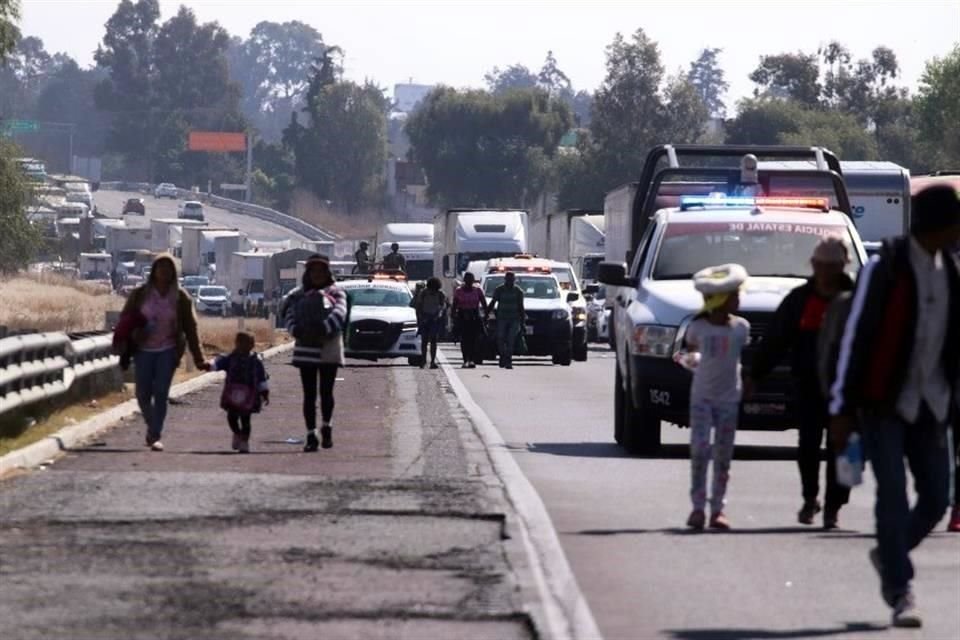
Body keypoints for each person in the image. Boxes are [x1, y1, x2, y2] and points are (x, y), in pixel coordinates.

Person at [829, 184, 960, 628]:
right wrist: (842, 406)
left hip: (933, 403)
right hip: (883, 402)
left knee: (938, 497)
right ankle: (901, 589)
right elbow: (856, 338)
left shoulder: (952, 272)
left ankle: (889, 551)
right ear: (939, 225)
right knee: (891, 495)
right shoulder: (885, 271)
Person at [749, 236, 854, 529]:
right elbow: (776, 340)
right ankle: (810, 498)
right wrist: (755, 374)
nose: (826, 271)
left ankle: (834, 506)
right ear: (814, 265)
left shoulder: (858, 298)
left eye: (833, 265)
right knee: (808, 443)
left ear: (843, 266)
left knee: (843, 447)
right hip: (807, 385)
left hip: (846, 388)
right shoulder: (799, 300)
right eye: (821, 265)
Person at [679, 263, 750, 531]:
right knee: (699, 451)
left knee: (723, 455)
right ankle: (698, 507)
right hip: (702, 399)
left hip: (729, 400)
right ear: (720, 299)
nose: (739, 299)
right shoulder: (698, 329)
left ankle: (717, 509)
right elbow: (689, 353)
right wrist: (690, 360)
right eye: (734, 294)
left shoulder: (741, 328)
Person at [119, 254, 205, 452]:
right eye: (160, 267)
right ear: (154, 270)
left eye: (168, 268)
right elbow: (126, 320)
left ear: (174, 272)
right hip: (143, 350)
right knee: (142, 393)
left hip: (168, 350)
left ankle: (155, 433)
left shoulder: (181, 297)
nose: (164, 271)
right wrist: (125, 346)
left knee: (160, 393)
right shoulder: (141, 294)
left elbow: (191, 328)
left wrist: (198, 357)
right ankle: (151, 424)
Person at [282, 254, 349, 452]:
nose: (317, 275)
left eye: (321, 271)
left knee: (326, 392)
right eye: (313, 271)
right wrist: (298, 331)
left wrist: (322, 329)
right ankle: (311, 434)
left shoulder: (337, 292)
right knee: (309, 394)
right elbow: (289, 315)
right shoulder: (297, 295)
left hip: (329, 349)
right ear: (308, 273)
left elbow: (340, 314)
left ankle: (327, 426)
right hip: (305, 349)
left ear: (327, 273)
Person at [209, 332, 269, 454]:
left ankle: (244, 442)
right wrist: (209, 365)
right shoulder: (230, 358)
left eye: (250, 343)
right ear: (237, 344)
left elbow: (261, 377)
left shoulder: (255, 361)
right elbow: (218, 363)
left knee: (246, 420)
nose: (247, 346)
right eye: (243, 343)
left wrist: (264, 392)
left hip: (249, 397)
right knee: (231, 417)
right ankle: (237, 433)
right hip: (232, 396)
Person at [487, 271, 525, 370]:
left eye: (512, 279)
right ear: (505, 279)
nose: (510, 281)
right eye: (508, 279)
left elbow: (521, 307)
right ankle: (502, 356)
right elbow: (493, 302)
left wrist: (522, 322)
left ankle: (508, 360)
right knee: (500, 338)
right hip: (502, 318)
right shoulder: (499, 290)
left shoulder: (518, 291)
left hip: (514, 319)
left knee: (510, 339)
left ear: (514, 280)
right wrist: (486, 314)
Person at [452, 272, 487, 369]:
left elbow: (484, 304)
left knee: (474, 339)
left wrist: (486, 315)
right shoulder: (459, 291)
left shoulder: (478, 290)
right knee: (464, 340)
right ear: (464, 280)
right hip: (463, 316)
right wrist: (453, 318)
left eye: (470, 279)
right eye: (467, 279)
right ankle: (465, 360)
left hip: (474, 316)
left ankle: (472, 359)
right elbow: (454, 305)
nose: (469, 281)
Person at [412, 277, 446, 369]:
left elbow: (442, 307)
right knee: (425, 341)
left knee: (433, 341)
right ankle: (424, 361)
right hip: (425, 318)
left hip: (434, 319)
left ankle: (432, 361)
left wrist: (438, 315)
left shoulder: (440, 294)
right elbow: (419, 306)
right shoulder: (423, 293)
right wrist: (421, 317)